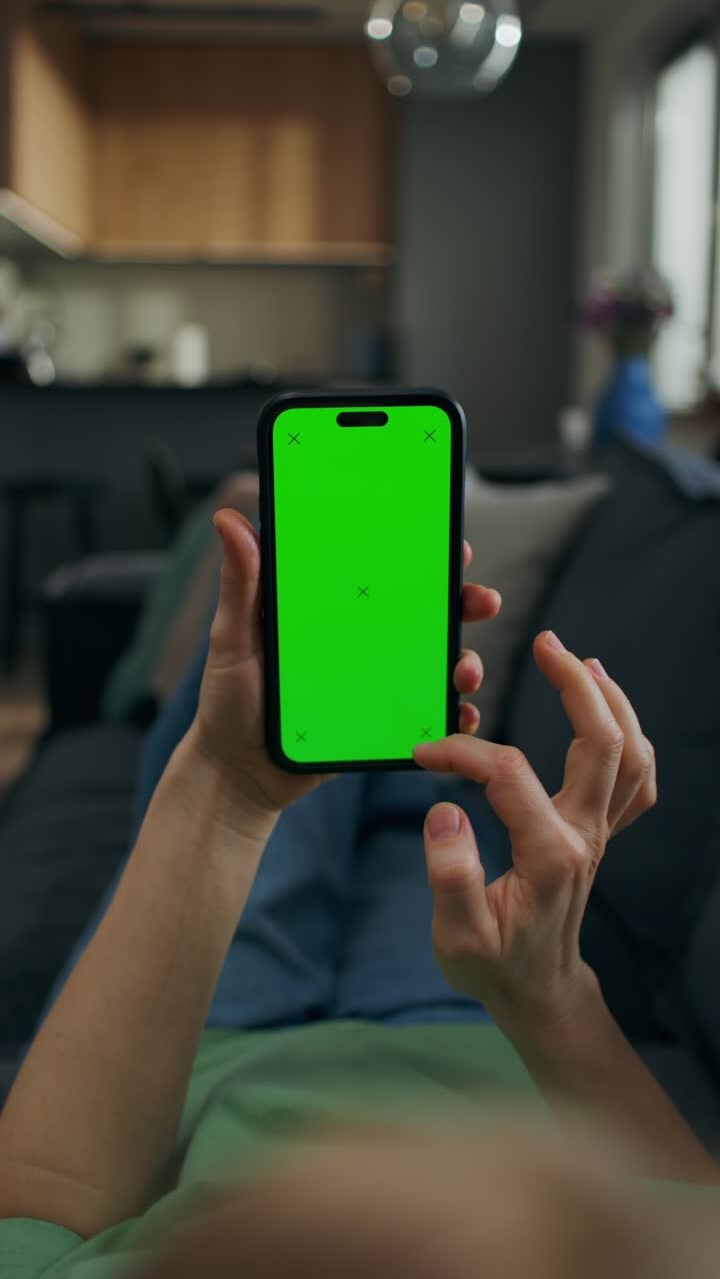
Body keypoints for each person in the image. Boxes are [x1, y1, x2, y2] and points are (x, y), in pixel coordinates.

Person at [0, 509, 717, 1279]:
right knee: (419, 795)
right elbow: (685, 1211)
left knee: (268, 690)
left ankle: (306, 547)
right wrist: (548, 989)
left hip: (185, 1056)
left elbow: (42, 1202)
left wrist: (224, 784)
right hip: (469, 1037)